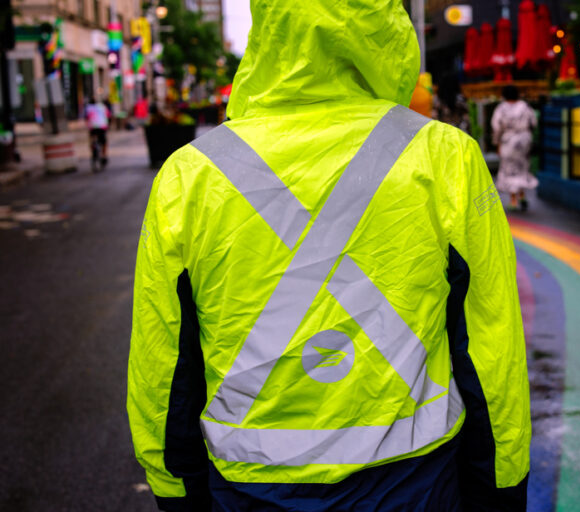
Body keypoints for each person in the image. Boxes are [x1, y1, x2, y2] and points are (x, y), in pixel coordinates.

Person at [127, 1, 530, 511]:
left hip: (249, 488)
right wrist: (501, 484)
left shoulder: (190, 175)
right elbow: (491, 347)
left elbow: (163, 363)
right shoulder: (446, 157)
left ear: (267, 28)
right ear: (386, 26)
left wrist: (175, 489)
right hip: (414, 484)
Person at [491, 85, 538, 211]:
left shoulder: (501, 108)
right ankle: (522, 195)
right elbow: (534, 122)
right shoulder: (525, 106)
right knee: (522, 167)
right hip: (524, 140)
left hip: (508, 141)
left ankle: (513, 200)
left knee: (509, 169)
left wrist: (497, 143)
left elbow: (496, 127)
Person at [85, 96, 109, 165]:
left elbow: (86, 117)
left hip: (92, 127)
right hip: (102, 126)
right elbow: (108, 116)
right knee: (104, 142)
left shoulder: (88, 107)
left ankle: (93, 150)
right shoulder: (102, 107)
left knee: (92, 139)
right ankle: (104, 156)